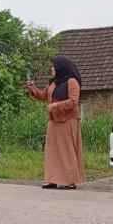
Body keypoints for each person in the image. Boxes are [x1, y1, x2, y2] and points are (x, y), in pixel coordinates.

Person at [26, 56, 85, 190]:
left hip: (68, 120)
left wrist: (56, 106)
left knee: (66, 150)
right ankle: (52, 179)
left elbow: (73, 101)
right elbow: (43, 96)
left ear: (61, 67)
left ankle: (69, 181)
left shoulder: (72, 82)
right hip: (54, 120)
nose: (51, 69)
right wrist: (32, 89)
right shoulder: (53, 83)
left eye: (53, 66)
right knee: (51, 150)